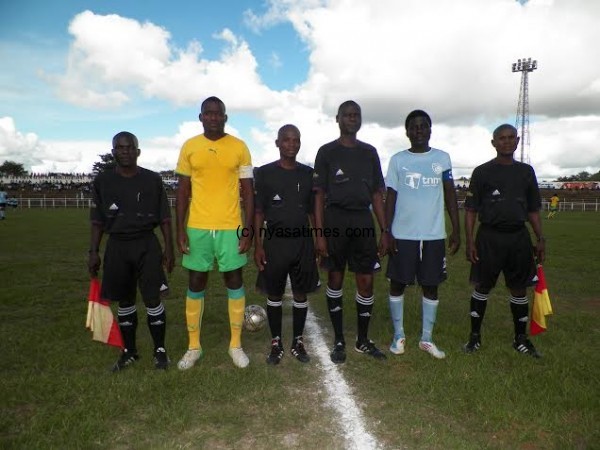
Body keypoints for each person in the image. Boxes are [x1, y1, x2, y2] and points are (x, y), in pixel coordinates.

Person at [175, 96, 254, 370]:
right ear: (200, 117)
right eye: (207, 113)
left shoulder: (239, 147)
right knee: (196, 283)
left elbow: (248, 191)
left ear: (225, 117)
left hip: (230, 226)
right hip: (197, 227)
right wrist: (180, 230)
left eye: (217, 113)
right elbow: (182, 191)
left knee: (234, 281)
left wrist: (247, 230)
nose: (213, 117)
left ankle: (236, 344)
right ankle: (193, 346)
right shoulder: (190, 146)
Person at [88, 131, 175, 371]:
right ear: (113, 151)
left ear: (138, 151)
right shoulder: (103, 181)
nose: (124, 151)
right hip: (117, 245)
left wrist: (169, 249)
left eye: (129, 147)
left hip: (147, 244)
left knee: (152, 298)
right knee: (125, 300)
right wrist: (93, 251)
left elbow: (165, 218)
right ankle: (129, 351)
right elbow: (97, 220)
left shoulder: (152, 179)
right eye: (119, 147)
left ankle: (160, 350)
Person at [313, 100, 389, 364]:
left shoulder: (369, 152)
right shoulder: (326, 152)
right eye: (347, 115)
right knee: (335, 279)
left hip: (362, 221)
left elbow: (377, 194)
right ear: (338, 119)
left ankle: (363, 340)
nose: (352, 118)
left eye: (356, 115)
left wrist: (385, 229)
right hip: (335, 220)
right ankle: (338, 340)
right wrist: (320, 234)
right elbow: (319, 195)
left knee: (366, 282)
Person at [463, 124, 545, 358]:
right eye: (502, 138)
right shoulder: (482, 172)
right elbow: (470, 210)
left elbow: (532, 210)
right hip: (489, 237)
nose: (507, 141)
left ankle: (520, 340)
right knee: (482, 286)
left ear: (517, 141)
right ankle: (474, 338)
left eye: (511, 138)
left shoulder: (526, 172)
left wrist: (540, 238)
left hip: (518, 237)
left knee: (519, 289)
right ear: (494, 143)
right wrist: (470, 241)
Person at [384, 110, 460, 360]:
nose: (418, 131)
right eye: (414, 127)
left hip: (433, 235)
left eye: (423, 126)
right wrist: (387, 231)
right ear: (407, 132)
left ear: (430, 130)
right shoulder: (397, 160)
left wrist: (456, 229)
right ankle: (399, 336)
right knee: (397, 284)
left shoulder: (442, 158)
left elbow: (450, 194)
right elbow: (391, 197)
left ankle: (426, 339)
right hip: (402, 234)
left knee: (431, 285)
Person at [254, 125, 320, 365]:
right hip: (274, 241)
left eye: (296, 140)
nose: (291, 144)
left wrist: (319, 237)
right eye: (286, 140)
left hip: (302, 240)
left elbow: (314, 211)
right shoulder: (265, 173)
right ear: (277, 143)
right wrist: (258, 245)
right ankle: (276, 342)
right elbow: (259, 210)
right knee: (275, 292)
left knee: (301, 292)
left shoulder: (308, 173)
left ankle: (298, 341)